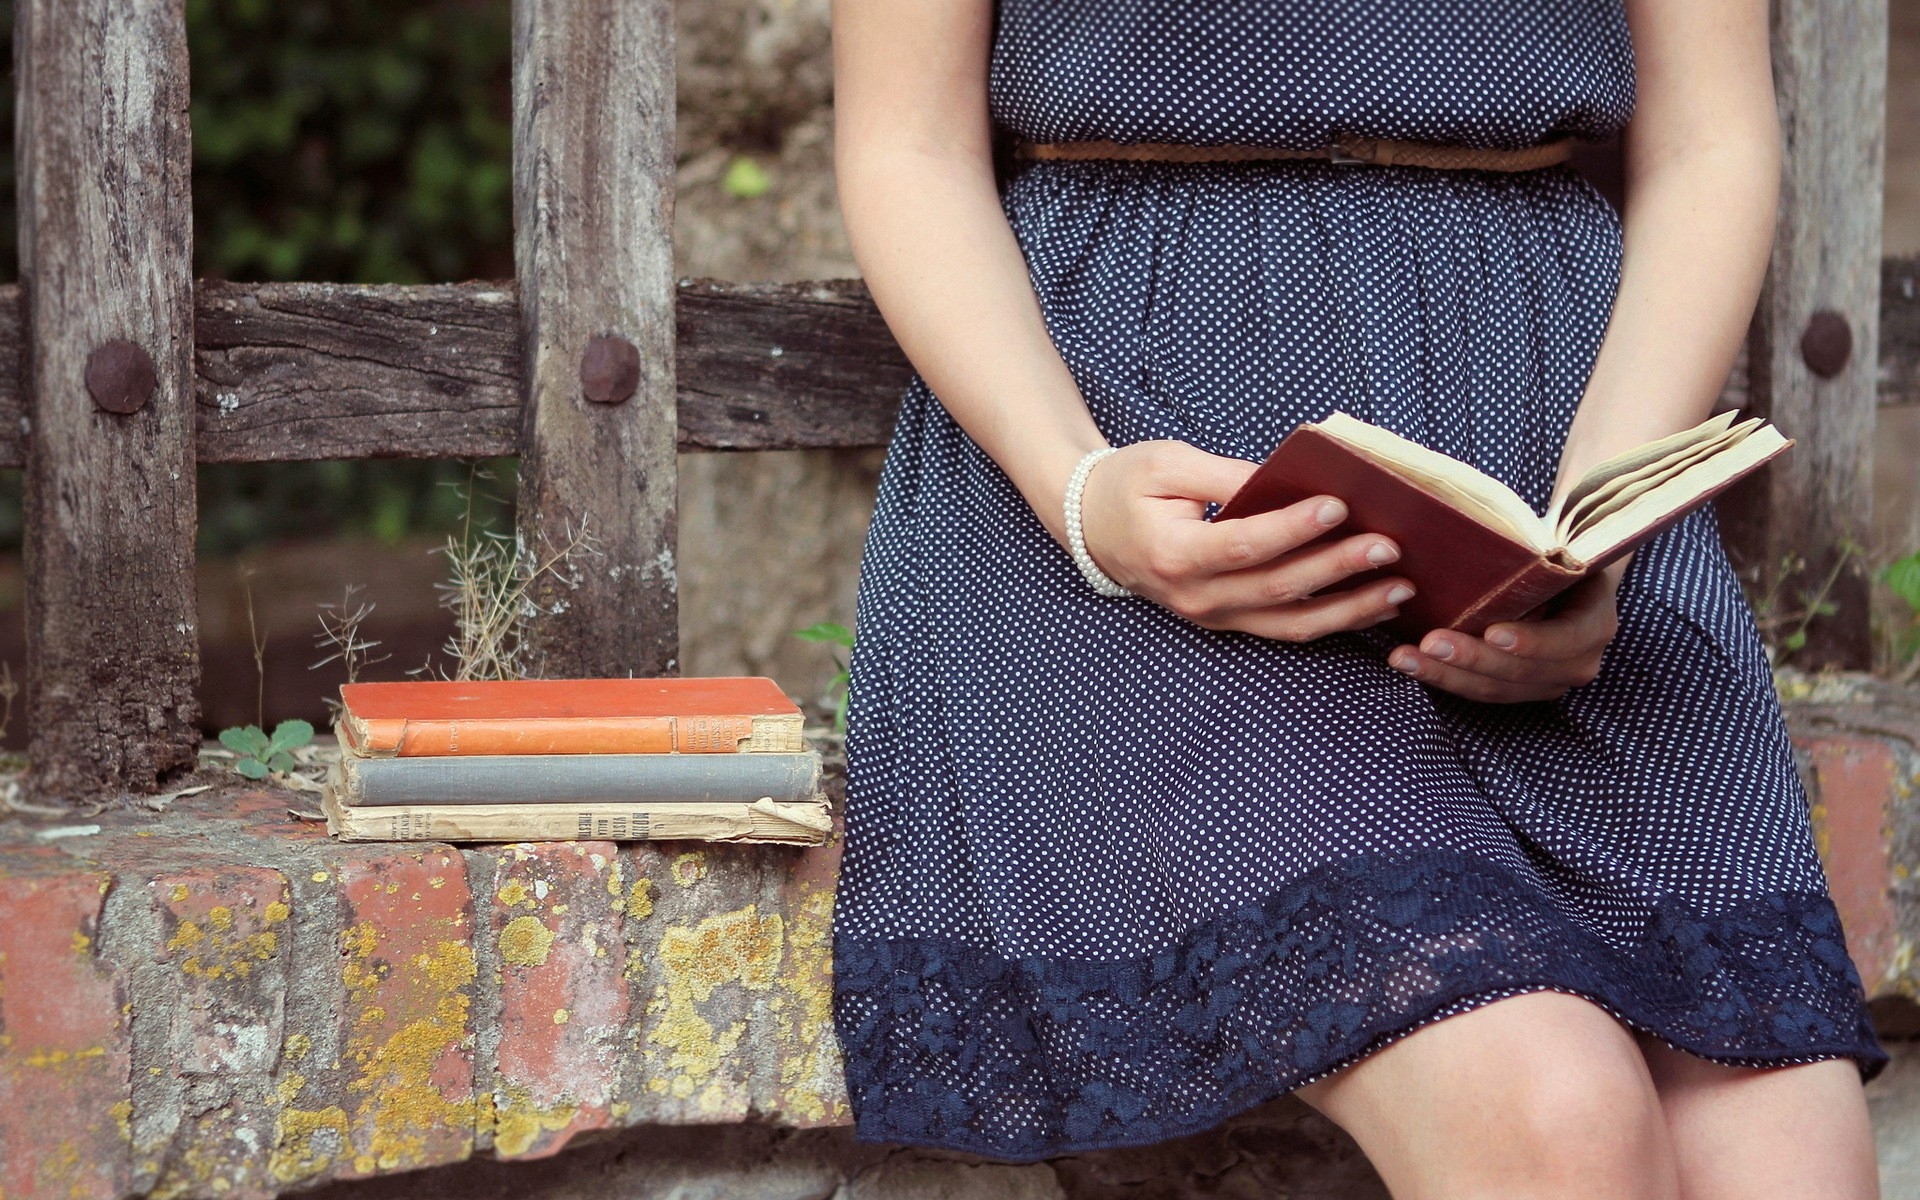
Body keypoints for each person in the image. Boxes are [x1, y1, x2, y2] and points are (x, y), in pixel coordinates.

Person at [827, 0, 1887, 1194]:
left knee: (1791, 1161)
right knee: (1554, 1120)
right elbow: (905, 143)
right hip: (1150, 480)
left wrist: (1601, 536)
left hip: (1558, 442)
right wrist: (1080, 493)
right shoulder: (1104, 494)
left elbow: (1712, 140)